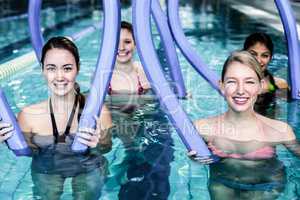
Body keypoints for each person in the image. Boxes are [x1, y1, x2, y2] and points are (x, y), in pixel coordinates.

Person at [1, 36, 113, 200]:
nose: (59, 76)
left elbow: (107, 147)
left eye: (67, 68)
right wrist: (7, 141)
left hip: (88, 166)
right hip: (48, 168)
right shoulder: (28, 116)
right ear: (43, 70)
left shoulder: (98, 111)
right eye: (52, 68)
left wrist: (98, 145)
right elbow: (27, 152)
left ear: (78, 68)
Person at [190, 51, 300, 200]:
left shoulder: (279, 131)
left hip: (266, 185)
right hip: (222, 183)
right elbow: (194, 157)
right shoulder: (201, 128)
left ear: (260, 86)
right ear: (221, 86)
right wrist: (195, 158)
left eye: (249, 82)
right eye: (231, 82)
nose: (240, 90)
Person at [243, 32, 289, 115]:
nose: (258, 60)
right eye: (253, 54)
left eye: (264, 55)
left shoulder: (279, 85)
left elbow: (282, 112)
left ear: (271, 58)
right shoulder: (234, 83)